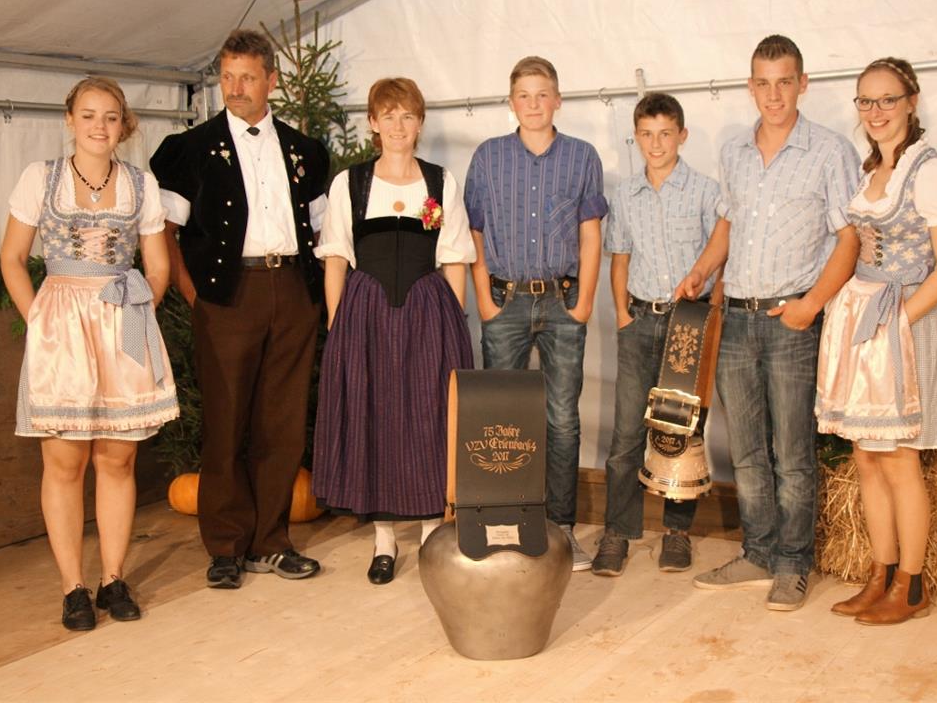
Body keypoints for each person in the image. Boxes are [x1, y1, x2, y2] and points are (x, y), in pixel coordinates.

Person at [676, 35, 860, 610]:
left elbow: (850, 239)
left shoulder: (829, 151)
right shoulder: (733, 151)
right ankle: (757, 552)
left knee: (793, 450)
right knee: (748, 450)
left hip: (790, 319)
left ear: (802, 84)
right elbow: (728, 225)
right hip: (735, 318)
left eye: (785, 81)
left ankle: (794, 562)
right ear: (750, 86)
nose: (774, 93)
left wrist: (811, 305)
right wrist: (702, 270)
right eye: (763, 82)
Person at [0, 77, 179, 630]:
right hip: (60, 323)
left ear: (123, 125)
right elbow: (11, 258)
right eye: (89, 115)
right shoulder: (41, 178)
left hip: (121, 319)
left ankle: (113, 577)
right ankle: (72, 586)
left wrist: (138, 308)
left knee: (117, 457)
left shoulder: (141, 185)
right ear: (70, 119)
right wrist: (40, 319)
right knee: (65, 458)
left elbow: (158, 264)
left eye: (110, 117)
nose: (99, 126)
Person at [150, 29, 328, 589]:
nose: (235, 88)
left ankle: (271, 542)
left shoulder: (305, 151)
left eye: (247, 77)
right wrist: (192, 291)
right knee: (226, 422)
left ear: (271, 80)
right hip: (227, 295)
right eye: (227, 77)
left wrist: (316, 296)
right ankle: (226, 546)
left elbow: (324, 232)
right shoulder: (191, 149)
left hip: (292, 290)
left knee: (281, 423)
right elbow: (162, 230)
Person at [816, 57, 937, 625]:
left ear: (911, 101)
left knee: (901, 457)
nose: (875, 112)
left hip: (905, 323)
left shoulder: (932, 172)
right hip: (864, 318)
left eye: (886, 100)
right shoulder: (869, 172)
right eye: (865, 101)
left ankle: (911, 584)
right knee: (866, 454)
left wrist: (897, 321)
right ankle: (879, 574)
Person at [312, 78, 475, 584]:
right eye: (389, 116)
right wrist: (340, 328)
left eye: (408, 116)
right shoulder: (350, 183)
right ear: (373, 123)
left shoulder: (440, 181)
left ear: (419, 123)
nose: (398, 126)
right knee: (375, 417)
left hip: (429, 313)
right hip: (366, 316)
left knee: (429, 415)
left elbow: (455, 259)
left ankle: (430, 532)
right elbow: (336, 257)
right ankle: (383, 539)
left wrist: (456, 328)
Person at [464, 56, 608, 571]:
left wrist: (584, 302)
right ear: (511, 102)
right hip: (503, 300)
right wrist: (483, 297)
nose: (533, 104)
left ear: (558, 100)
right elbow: (474, 232)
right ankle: (505, 523)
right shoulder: (488, 158)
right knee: (502, 419)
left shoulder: (582, 157)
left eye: (542, 94)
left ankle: (561, 529)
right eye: (523, 95)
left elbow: (591, 233)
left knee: (562, 418)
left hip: (562, 300)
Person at [592, 93, 719, 576]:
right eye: (646, 134)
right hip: (640, 320)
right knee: (626, 432)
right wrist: (623, 314)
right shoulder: (625, 195)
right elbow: (619, 256)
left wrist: (711, 317)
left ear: (682, 135)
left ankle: (677, 531)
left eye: (665, 133)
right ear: (636, 137)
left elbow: (718, 256)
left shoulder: (706, 191)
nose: (656, 143)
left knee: (681, 430)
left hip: (687, 324)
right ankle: (618, 532)